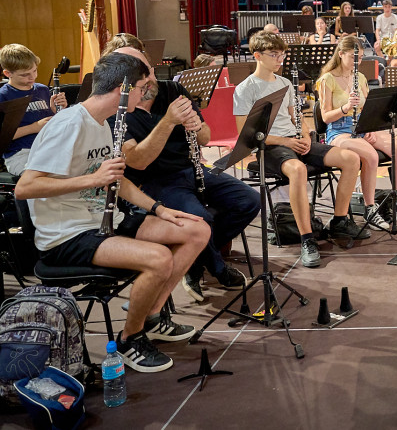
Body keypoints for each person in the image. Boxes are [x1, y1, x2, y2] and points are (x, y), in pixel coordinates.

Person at [15, 53, 208, 372]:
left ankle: (152, 317)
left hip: (103, 221)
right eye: (142, 87)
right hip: (67, 235)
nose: (146, 94)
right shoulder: (69, 124)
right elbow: (25, 187)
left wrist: (159, 209)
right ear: (123, 87)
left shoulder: (105, 122)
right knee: (159, 258)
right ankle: (130, 339)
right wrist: (94, 179)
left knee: (195, 231)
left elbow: (117, 180)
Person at [108, 46, 256, 302]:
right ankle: (216, 267)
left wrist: (197, 126)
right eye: (143, 77)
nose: (151, 80)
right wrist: (167, 122)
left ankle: (196, 259)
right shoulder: (117, 109)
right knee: (200, 220)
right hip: (154, 181)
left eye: (150, 71)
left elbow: (206, 137)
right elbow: (138, 162)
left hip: (192, 169)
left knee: (249, 201)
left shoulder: (172, 89)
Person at [234, 31, 360, 267]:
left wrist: (303, 136)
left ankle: (340, 220)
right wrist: (286, 142)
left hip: (293, 140)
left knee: (351, 159)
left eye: (282, 55)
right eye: (274, 55)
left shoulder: (284, 83)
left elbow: (296, 119)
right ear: (257, 56)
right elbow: (247, 135)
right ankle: (307, 238)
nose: (280, 60)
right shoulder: (245, 88)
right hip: (268, 146)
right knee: (299, 170)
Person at [316, 36, 397, 236]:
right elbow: (325, 117)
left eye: (359, 58)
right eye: (353, 57)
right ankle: (370, 208)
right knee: (371, 155)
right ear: (341, 54)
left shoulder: (359, 78)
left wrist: (369, 125)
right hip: (338, 131)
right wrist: (345, 107)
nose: (356, 62)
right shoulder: (327, 79)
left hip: (361, 127)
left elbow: (369, 108)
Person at [0, 44, 68, 176]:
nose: (33, 77)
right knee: (44, 178)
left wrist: (57, 112)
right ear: (8, 74)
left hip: (48, 148)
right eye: (25, 75)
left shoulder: (42, 89)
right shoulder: (4, 96)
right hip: (20, 154)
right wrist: (34, 127)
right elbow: (3, 137)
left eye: (35, 71)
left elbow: (52, 125)